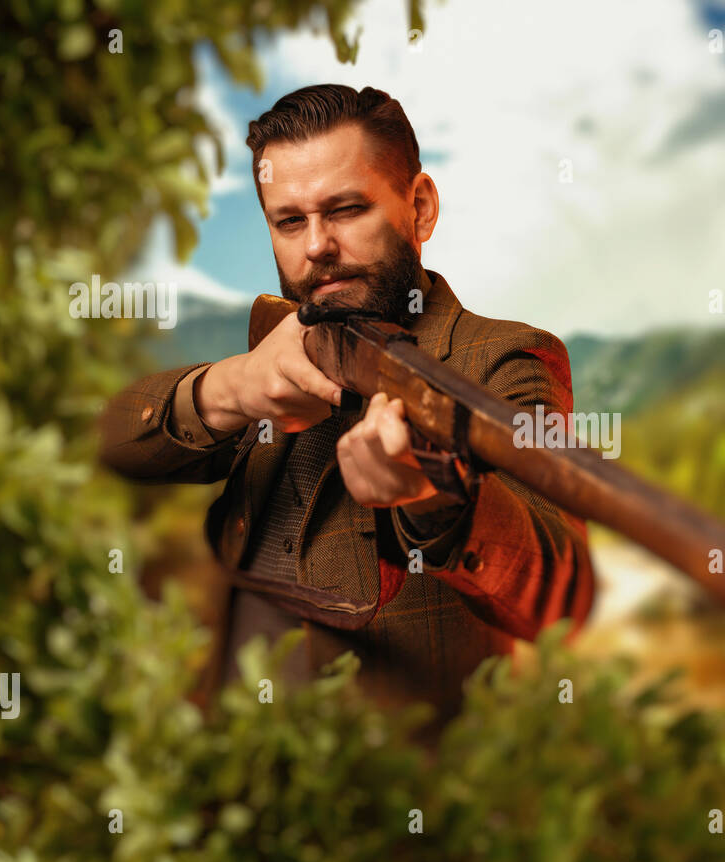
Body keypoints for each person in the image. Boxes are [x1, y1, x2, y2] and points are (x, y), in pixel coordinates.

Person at [98, 85, 594, 737]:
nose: (316, 248)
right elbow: (115, 440)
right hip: (237, 767)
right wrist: (232, 387)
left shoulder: (499, 357)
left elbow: (564, 594)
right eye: (289, 221)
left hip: (394, 792)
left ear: (418, 207)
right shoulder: (279, 348)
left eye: (346, 210)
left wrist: (437, 502)